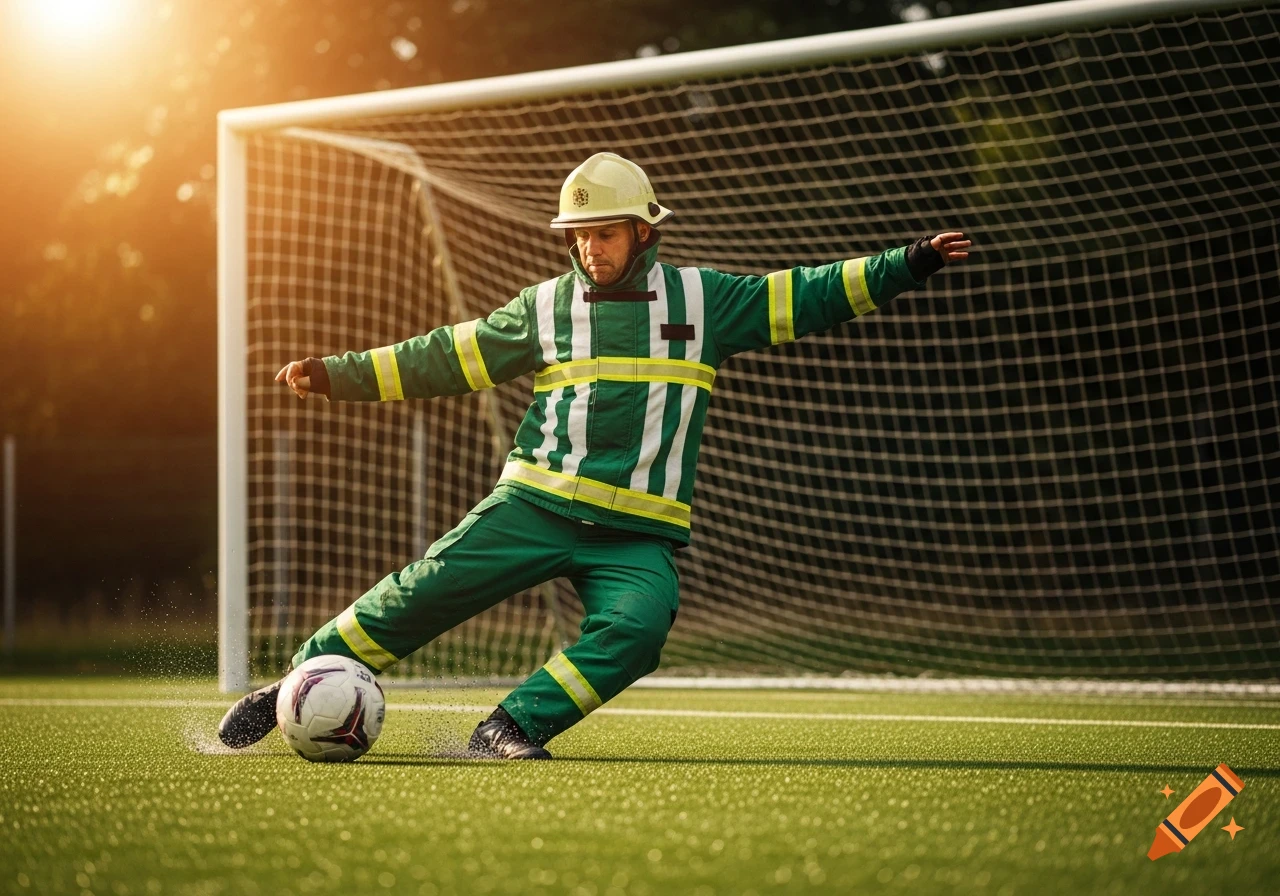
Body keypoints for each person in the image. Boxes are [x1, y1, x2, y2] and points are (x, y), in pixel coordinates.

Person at [218, 152, 972, 758]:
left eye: (605, 231)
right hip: (535, 505)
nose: (589, 246)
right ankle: (293, 684)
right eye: (579, 234)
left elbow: (805, 294)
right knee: (421, 592)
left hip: (636, 536)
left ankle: (509, 730)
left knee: (639, 630)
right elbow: (445, 356)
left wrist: (907, 263)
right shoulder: (543, 307)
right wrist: (335, 374)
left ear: (645, 232)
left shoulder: (704, 302)